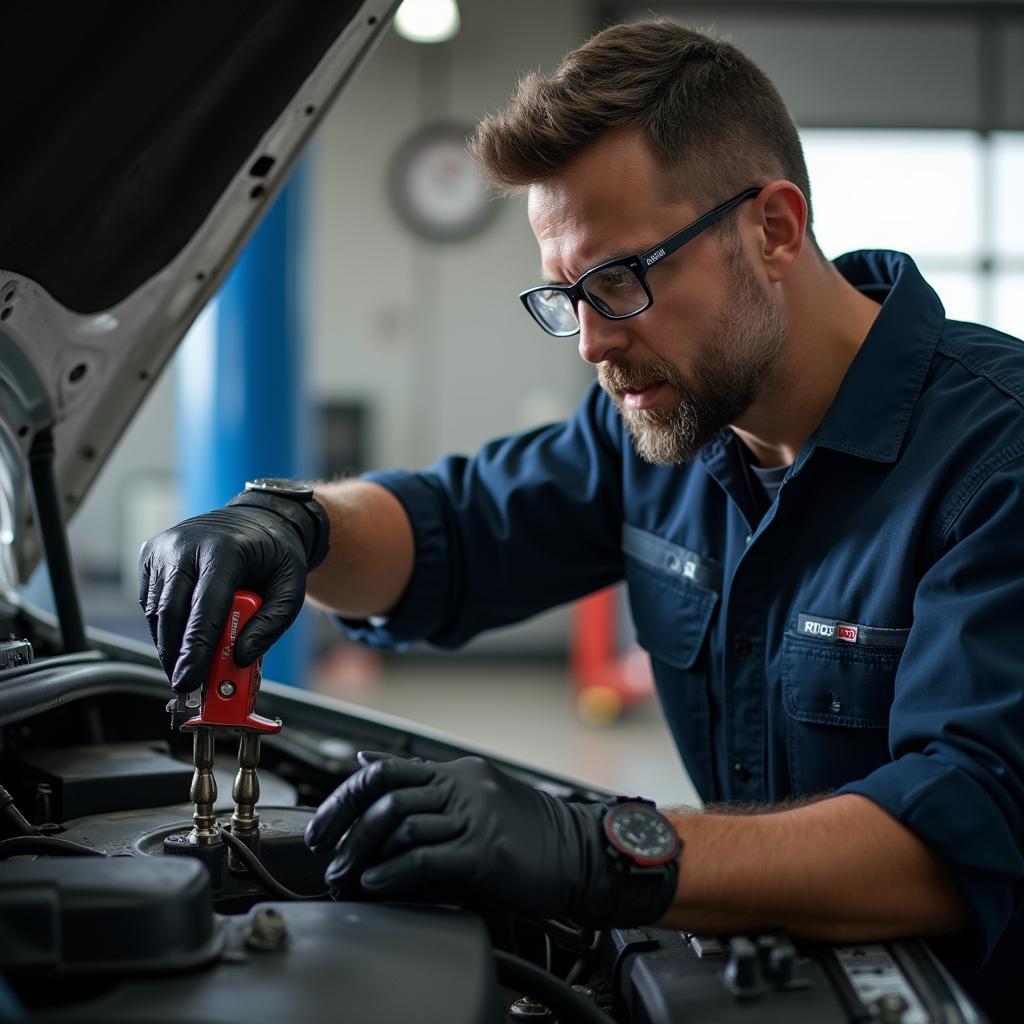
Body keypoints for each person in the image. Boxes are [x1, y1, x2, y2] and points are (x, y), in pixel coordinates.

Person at [139, 19, 1024, 1019]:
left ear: (773, 228)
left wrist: (601, 847)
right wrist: (292, 524)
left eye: (620, 280)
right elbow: (454, 526)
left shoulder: (997, 459)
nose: (594, 341)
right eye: (566, 295)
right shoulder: (666, 423)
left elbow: (960, 837)